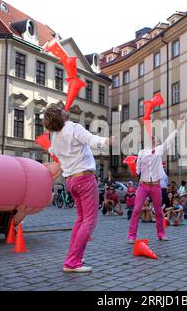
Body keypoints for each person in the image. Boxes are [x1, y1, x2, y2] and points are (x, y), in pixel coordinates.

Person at [44, 102, 114, 273]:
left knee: (81, 219)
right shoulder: (73, 127)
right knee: (89, 221)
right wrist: (106, 140)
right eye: (62, 110)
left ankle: (74, 257)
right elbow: (90, 139)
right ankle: (72, 261)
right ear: (61, 116)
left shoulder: (55, 136)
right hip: (84, 179)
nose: (65, 109)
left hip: (71, 181)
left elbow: (53, 150)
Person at [127, 117, 185, 244]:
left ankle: (161, 234)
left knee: (159, 211)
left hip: (155, 186)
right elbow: (137, 171)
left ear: (158, 142)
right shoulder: (142, 152)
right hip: (143, 185)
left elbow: (169, 141)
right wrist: (133, 166)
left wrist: (177, 129)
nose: (152, 138)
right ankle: (131, 235)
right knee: (136, 210)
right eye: (151, 137)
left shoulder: (159, 150)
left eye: (155, 138)